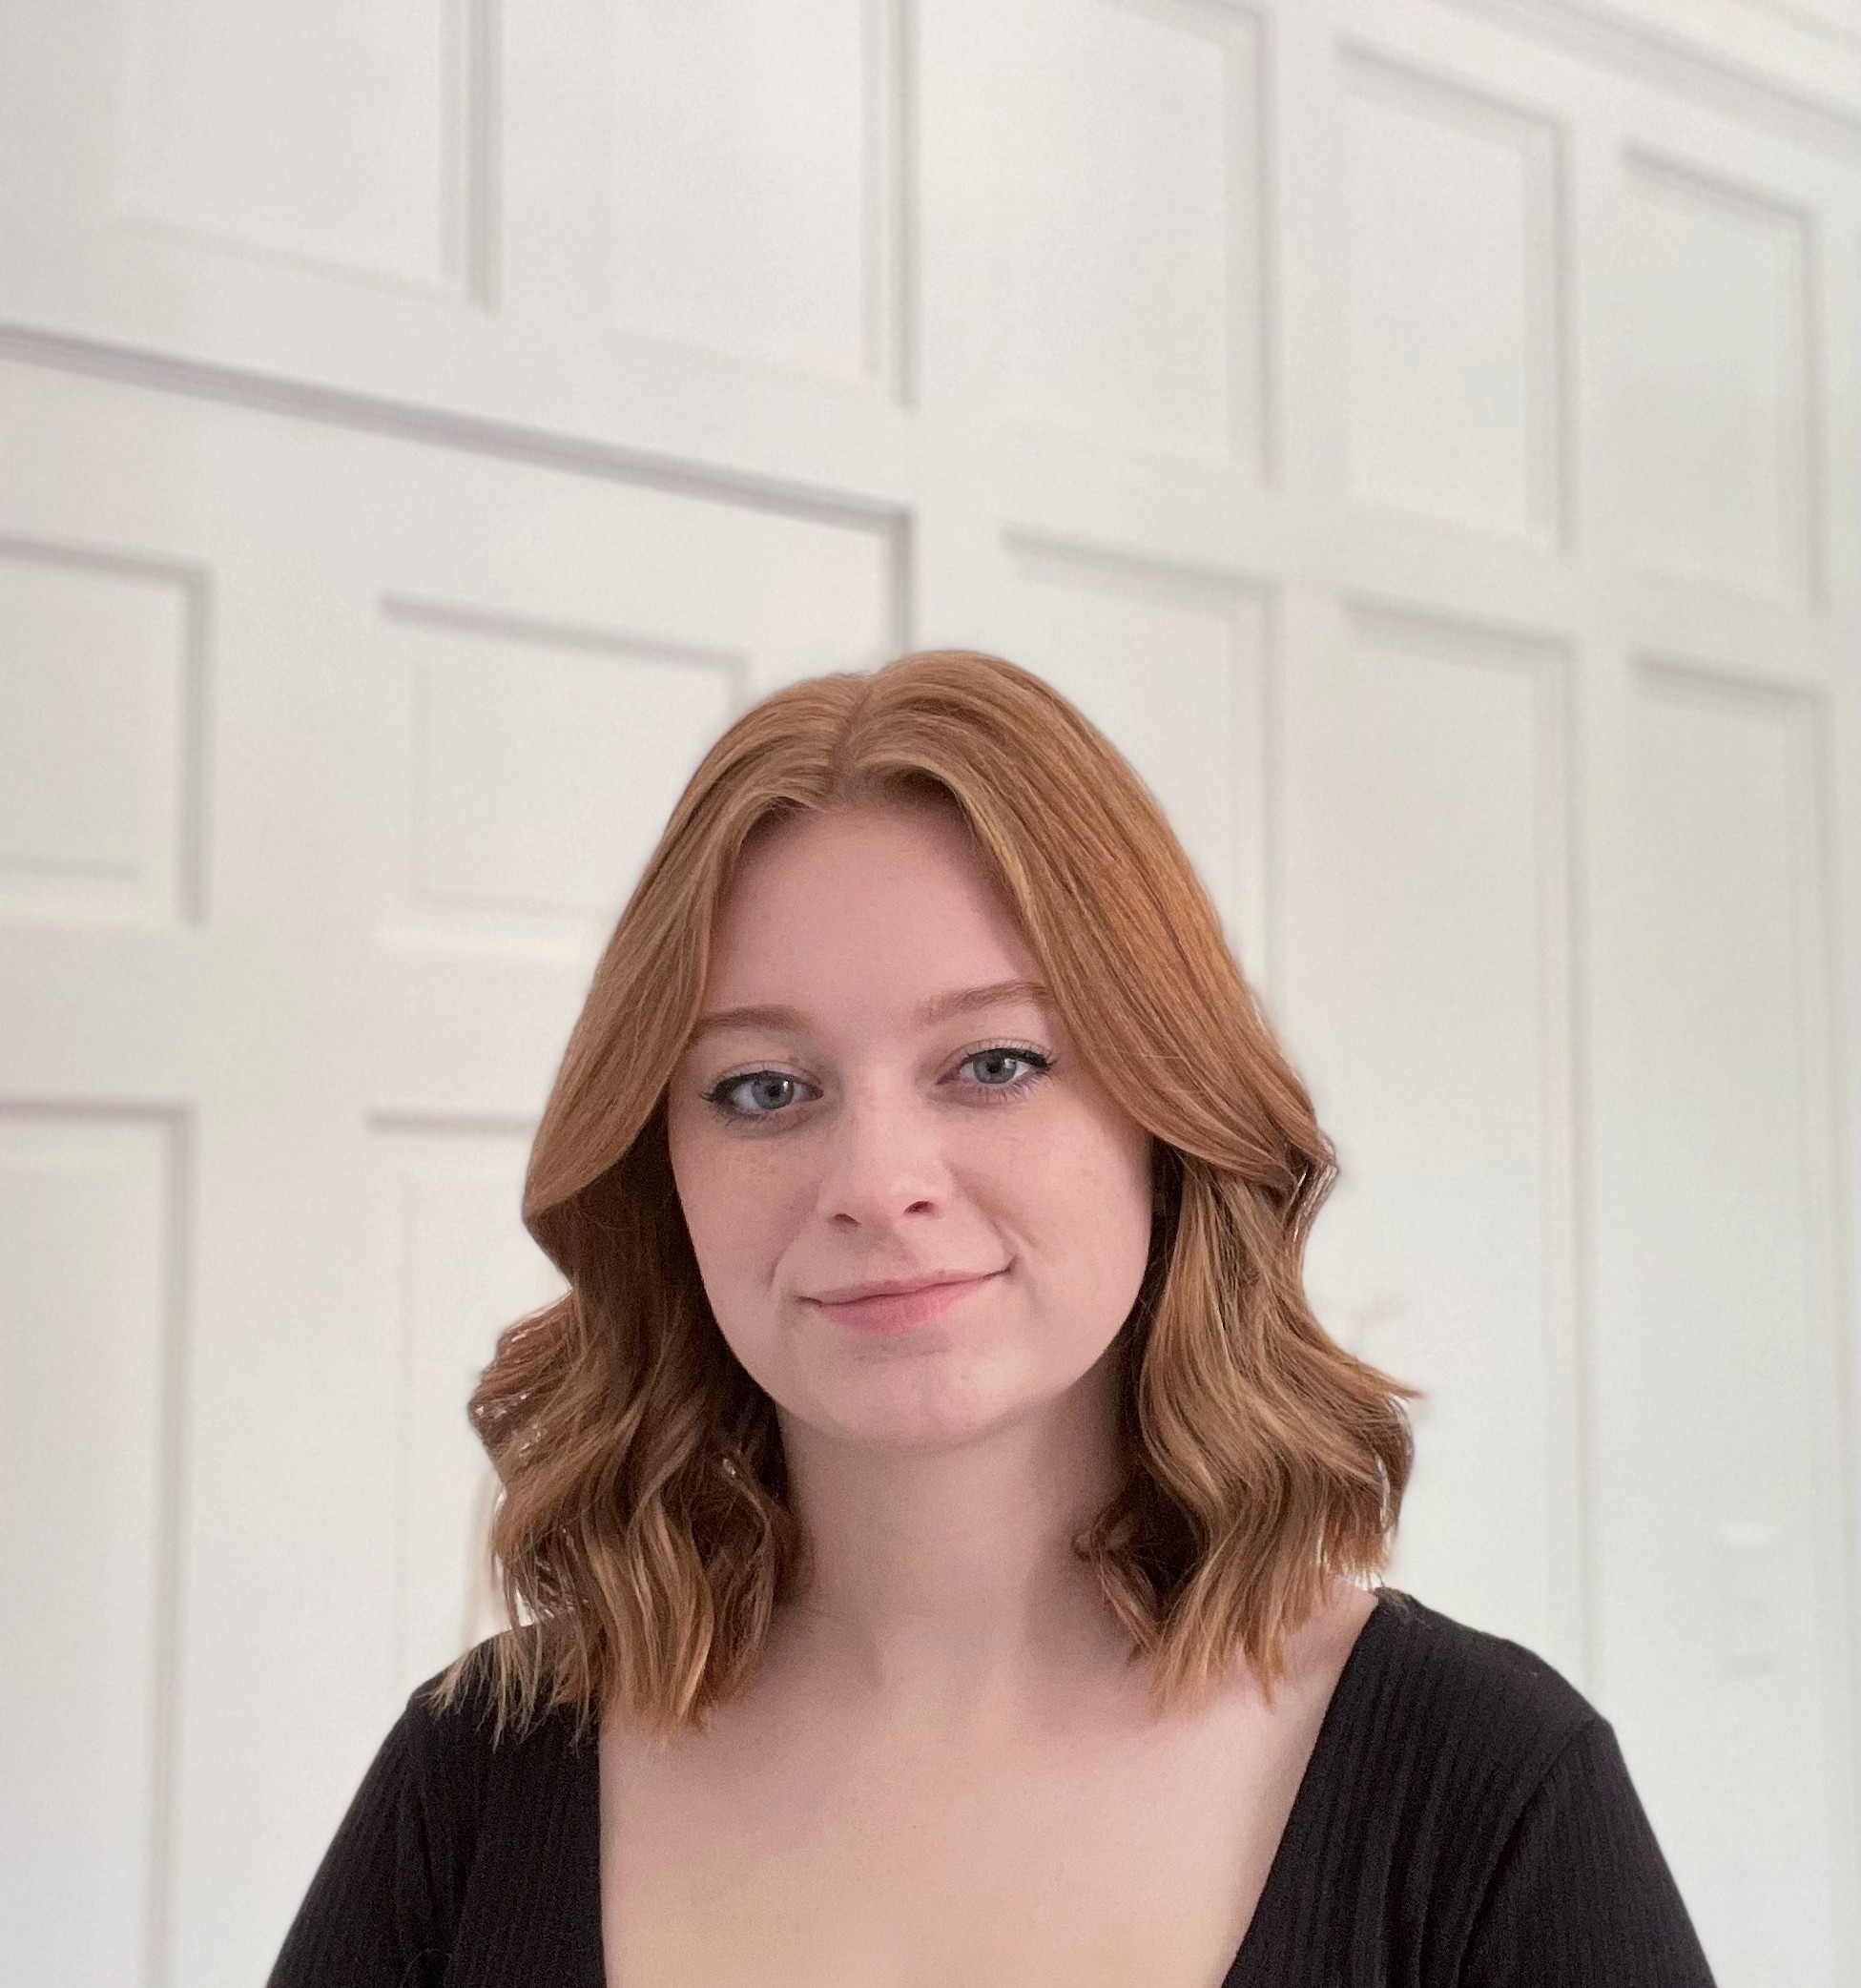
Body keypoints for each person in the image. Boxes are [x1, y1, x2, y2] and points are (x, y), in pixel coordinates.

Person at [268, 650, 1716, 1986]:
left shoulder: (1488, 1791)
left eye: (996, 1063)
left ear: (1168, 1116)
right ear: (665, 1175)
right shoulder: (477, 1776)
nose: (875, 1183)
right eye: (764, 1088)